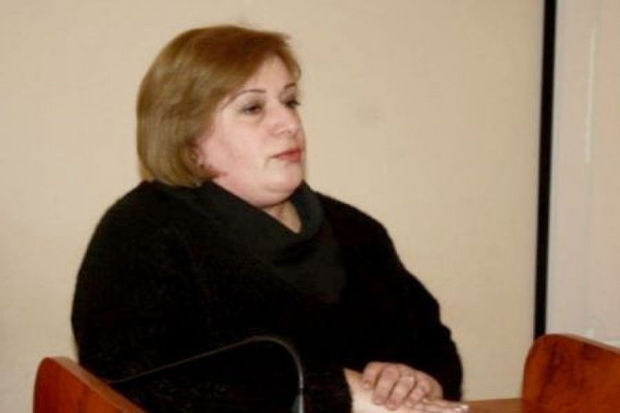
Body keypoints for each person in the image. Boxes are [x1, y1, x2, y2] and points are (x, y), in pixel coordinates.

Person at [71, 25, 466, 413]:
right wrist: (331, 395)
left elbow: (433, 348)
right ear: (189, 140)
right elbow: (133, 384)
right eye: (253, 108)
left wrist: (416, 381)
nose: (290, 124)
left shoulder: (357, 231)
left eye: (290, 102)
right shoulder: (141, 232)